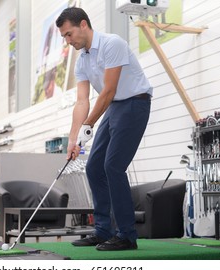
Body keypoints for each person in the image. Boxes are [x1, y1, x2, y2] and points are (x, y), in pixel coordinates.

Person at [56, 7, 152, 251]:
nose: (68, 41)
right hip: (114, 107)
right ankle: (102, 230)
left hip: (134, 103)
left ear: (84, 25)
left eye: (69, 34)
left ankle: (127, 236)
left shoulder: (112, 43)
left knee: (113, 166)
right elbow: (81, 101)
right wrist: (72, 140)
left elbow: (108, 90)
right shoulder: (83, 60)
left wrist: (88, 124)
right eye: (64, 37)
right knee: (94, 167)